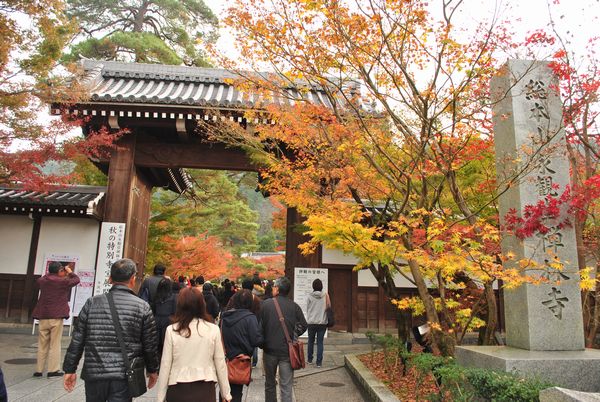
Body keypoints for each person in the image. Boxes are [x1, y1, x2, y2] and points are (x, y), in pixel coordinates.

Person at [63, 258, 159, 401]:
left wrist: (70, 369)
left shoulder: (92, 303)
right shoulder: (142, 307)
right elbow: (149, 344)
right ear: (132, 279)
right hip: (124, 375)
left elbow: (77, 339)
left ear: (110, 279)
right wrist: (152, 370)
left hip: (94, 372)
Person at [156, 287, 231, 402]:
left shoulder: (172, 330)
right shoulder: (213, 329)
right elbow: (220, 363)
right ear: (202, 304)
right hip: (205, 389)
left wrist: (160, 397)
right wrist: (226, 393)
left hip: (177, 388)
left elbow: (165, 364)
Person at [259, 277, 307, 402]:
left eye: (274, 286)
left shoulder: (266, 305)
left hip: (269, 350)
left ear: (278, 289)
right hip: (287, 351)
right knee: (286, 386)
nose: (273, 288)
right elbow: (304, 324)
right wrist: (294, 334)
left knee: (269, 384)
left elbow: (260, 327)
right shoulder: (294, 306)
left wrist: (262, 341)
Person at [32, 261, 80, 377]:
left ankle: (39, 370)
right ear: (59, 271)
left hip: (43, 316)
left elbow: (43, 278)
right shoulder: (63, 282)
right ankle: (52, 370)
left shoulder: (42, 281)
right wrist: (69, 271)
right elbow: (76, 279)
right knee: (55, 344)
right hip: (56, 316)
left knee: (42, 344)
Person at [221, 290, 263, 402]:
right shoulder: (250, 318)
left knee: (224, 392)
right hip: (240, 361)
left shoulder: (225, 316)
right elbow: (256, 340)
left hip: (225, 359)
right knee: (236, 392)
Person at [306, 279, 329, 368]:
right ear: (321, 286)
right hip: (322, 322)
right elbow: (328, 307)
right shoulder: (325, 295)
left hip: (311, 322)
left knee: (310, 341)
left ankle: (309, 359)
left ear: (313, 286)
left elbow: (308, 309)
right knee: (320, 342)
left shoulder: (309, 296)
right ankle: (319, 362)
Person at [153, 278, 177, 356]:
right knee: (166, 344)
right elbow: (175, 310)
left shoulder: (156, 296)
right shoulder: (173, 297)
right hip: (168, 321)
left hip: (156, 320)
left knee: (156, 343)